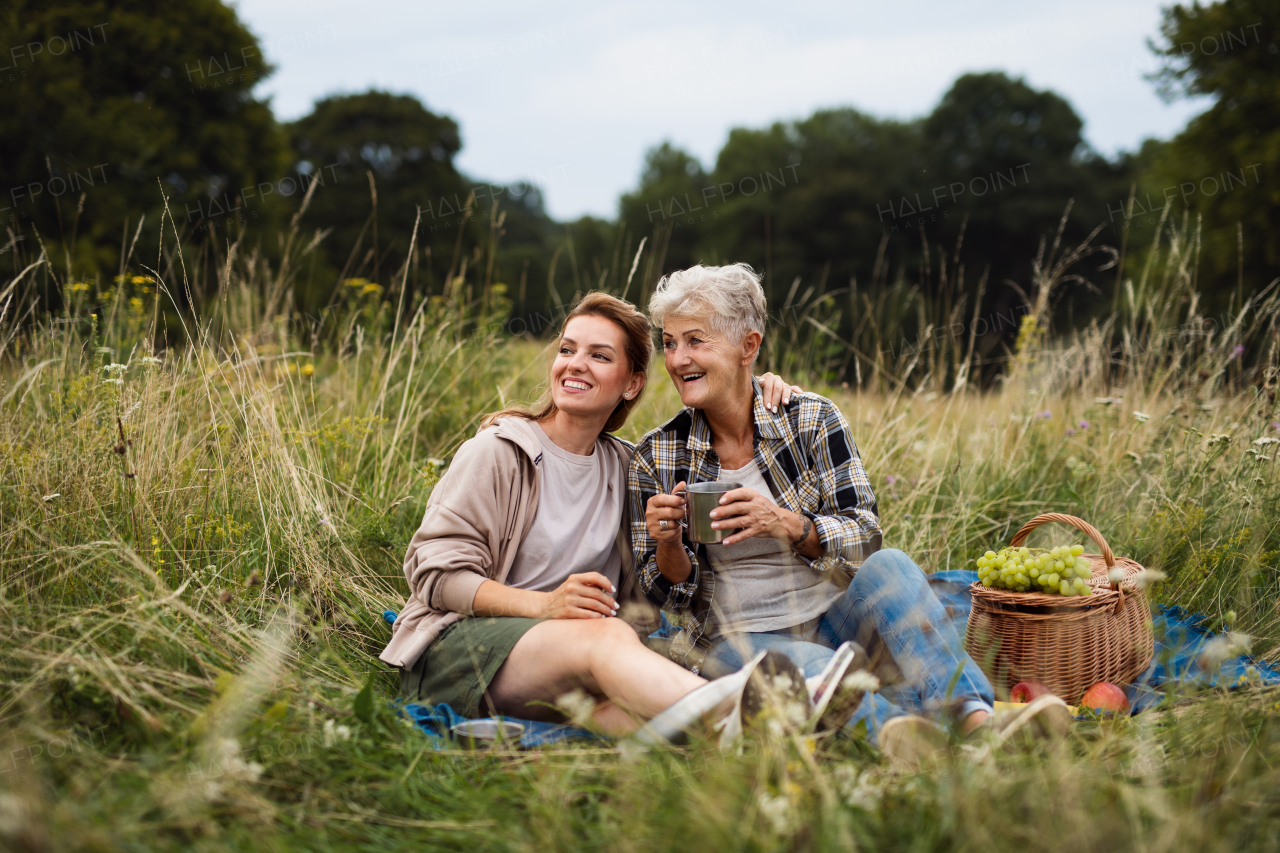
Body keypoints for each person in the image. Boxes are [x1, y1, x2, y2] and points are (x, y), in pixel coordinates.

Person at [629, 263, 1051, 748]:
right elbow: (666, 598)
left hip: (835, 615)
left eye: (695, 340)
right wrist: (667, 544)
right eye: (670, 342)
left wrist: (791, 525)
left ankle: (977, 720)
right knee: (795, 668)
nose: (679, 358)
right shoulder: (657, 455)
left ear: (748, 347)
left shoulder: (809, 419)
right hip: (742, 640)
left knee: (890, 566)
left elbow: (865, 536)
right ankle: (898, 736)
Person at [380, 292, 800, 735]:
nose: (575, 364)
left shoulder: (626, 468)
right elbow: (435, 576)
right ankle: (766, 712)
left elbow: (646, 602)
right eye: (567, 349)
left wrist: (758, 389)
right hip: (463, 650)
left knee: (646, 714)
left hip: (567, 665)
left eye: (599, 355)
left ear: (631, 384)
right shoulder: (500, 451)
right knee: (610, 639)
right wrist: (545, 606)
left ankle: (762, 741)